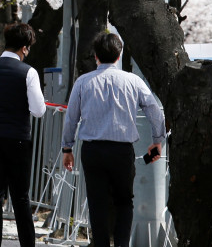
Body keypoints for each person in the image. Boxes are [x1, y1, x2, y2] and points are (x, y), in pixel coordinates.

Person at [61, 32, 166, 247]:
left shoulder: (83, 82)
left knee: (97, 202)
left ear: (95, 56)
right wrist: (158, 139)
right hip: (121, 151)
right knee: (124, 202)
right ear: (119, 55)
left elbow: (71, 117)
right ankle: (121, 244)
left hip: (93, 150)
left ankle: (100, 243)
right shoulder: (133, 81)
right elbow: (155, 110)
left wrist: (67, 148)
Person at [0, 23, 47, 247]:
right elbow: (38, 110)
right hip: (18, 139)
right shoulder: (28, 72)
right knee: (20, 197)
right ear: (24, 48)